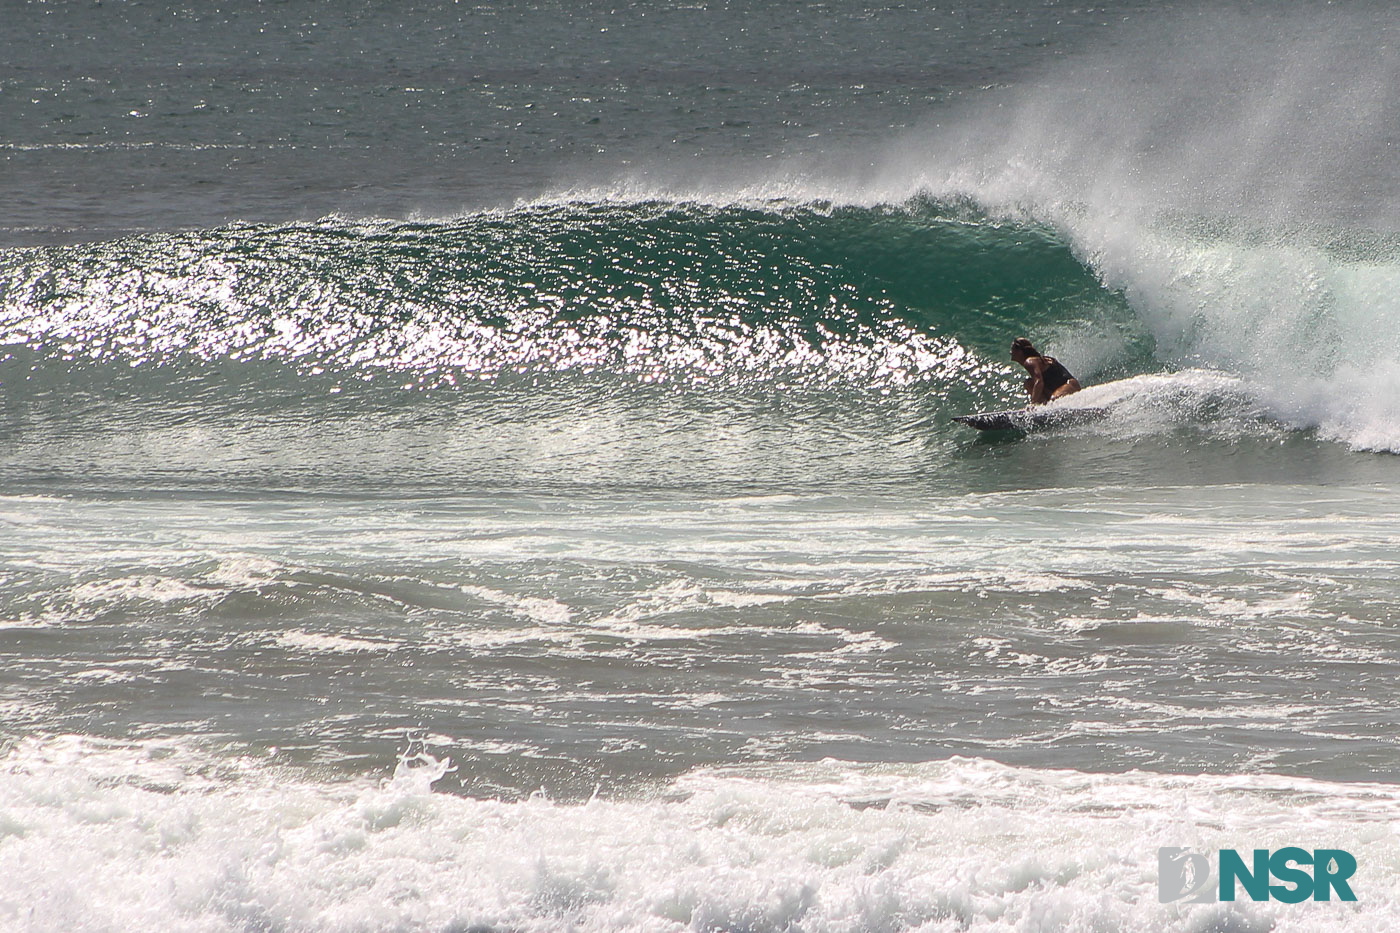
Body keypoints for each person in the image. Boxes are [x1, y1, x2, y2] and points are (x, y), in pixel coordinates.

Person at [1010, 337, 1081, 405]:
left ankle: (1040, 405)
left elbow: (1039, 382)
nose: (1010, 352)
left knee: (1054, 400)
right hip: (1056, 389)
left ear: (1019, 351)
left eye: (1012, 349)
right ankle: (1043, 406)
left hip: (1070, 384)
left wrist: (1032, 403)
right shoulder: (1036, 360)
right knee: (1028, 383)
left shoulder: (1029, 362)